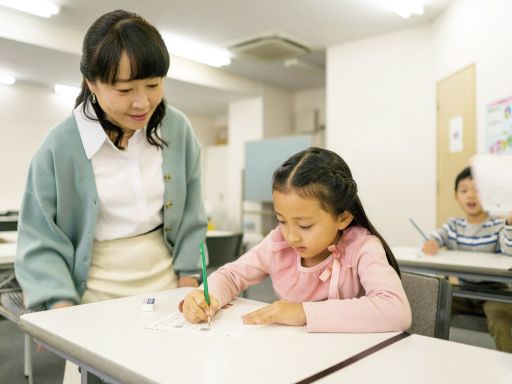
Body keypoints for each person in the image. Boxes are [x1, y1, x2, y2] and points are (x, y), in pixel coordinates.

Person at [15, 10, 206, 324]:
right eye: (125, 90)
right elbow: (40, 240)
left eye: (153, 85)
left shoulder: (177, 129)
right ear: (92, 83)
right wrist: (60, 310)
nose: (142, 103)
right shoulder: (59, 146)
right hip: (91, 295)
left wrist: (188, 281)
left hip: (167, 283)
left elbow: (191, 216)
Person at [182, 147, 411, 332]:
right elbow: (232, 275)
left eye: (305, 225)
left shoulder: (363, 248)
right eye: (281, 220)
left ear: (343, 218)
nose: (291, 236)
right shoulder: (278, 244)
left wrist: (302, 312)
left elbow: (396, 311)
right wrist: (208, 295)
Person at [422, 166, 512, 353]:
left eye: (477, 190)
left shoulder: (498, 225)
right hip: (463, 290)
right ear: (456, 195)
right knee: (430, 304)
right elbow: (438, 235)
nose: (471, 196)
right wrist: (431, 242)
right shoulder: (454, 225)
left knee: (501, 320)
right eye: (464, 190)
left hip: (495, 293)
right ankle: (428, 355)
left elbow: (509, 248)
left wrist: (510, 225)